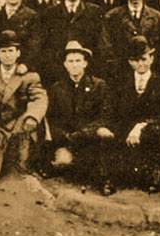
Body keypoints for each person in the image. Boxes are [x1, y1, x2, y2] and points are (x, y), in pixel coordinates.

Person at [0, 31, 46, 187]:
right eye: (3, 51)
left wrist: (32, 116)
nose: (7, 55)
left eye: (11, 51)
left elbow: (40, 98)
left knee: (22, 167)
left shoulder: (30, 76)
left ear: (18, 53)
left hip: (20, 124)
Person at [104, 36, 160, 192]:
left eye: (144, 59)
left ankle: (153, 178)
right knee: (110, 137)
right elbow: (112, 111)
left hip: (151, 127)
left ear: (151, 58)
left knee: (158, 134)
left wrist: (141, 126)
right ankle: (112, 179)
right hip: (125, 127)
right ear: (130, 62)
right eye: (136, 60)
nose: (141, 64)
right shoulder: (120, 82)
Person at [45, 40, 114, 194]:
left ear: (85, 64)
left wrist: (85, 133)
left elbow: (105, 116)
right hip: (68, 140)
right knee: (63, 161)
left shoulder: (99, 85)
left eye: (78, 61)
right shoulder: (57, 88)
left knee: (104, 134)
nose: (74, 65)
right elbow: (52, 118)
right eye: (70, 61)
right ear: (65, 64)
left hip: (90, 138)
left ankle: (105, 181)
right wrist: (64, 137)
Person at [98, 0, 160, 84]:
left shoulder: (157, 17)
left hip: (150, 77)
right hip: (120, 76)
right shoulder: (112, 17)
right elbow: (106, 48)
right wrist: (119, 72)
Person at [40, 0, 103, 84]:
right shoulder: (50, 13)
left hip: (86, 70)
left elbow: (98, 43)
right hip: (58, 71)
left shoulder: (94, 12)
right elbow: (45, 44)